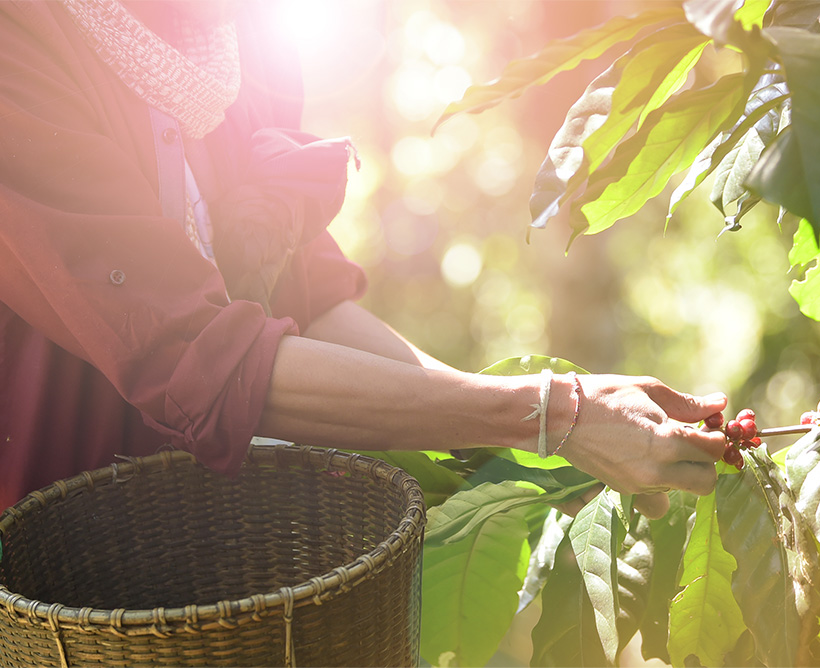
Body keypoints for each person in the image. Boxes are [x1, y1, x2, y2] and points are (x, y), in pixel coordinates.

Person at [0, 0, 728, 518]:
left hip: (227, 557)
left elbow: (306, 298)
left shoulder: (232, 48)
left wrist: (534, 439)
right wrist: (548, 417)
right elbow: (197, 357)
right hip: (64, 560)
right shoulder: (22, 44)